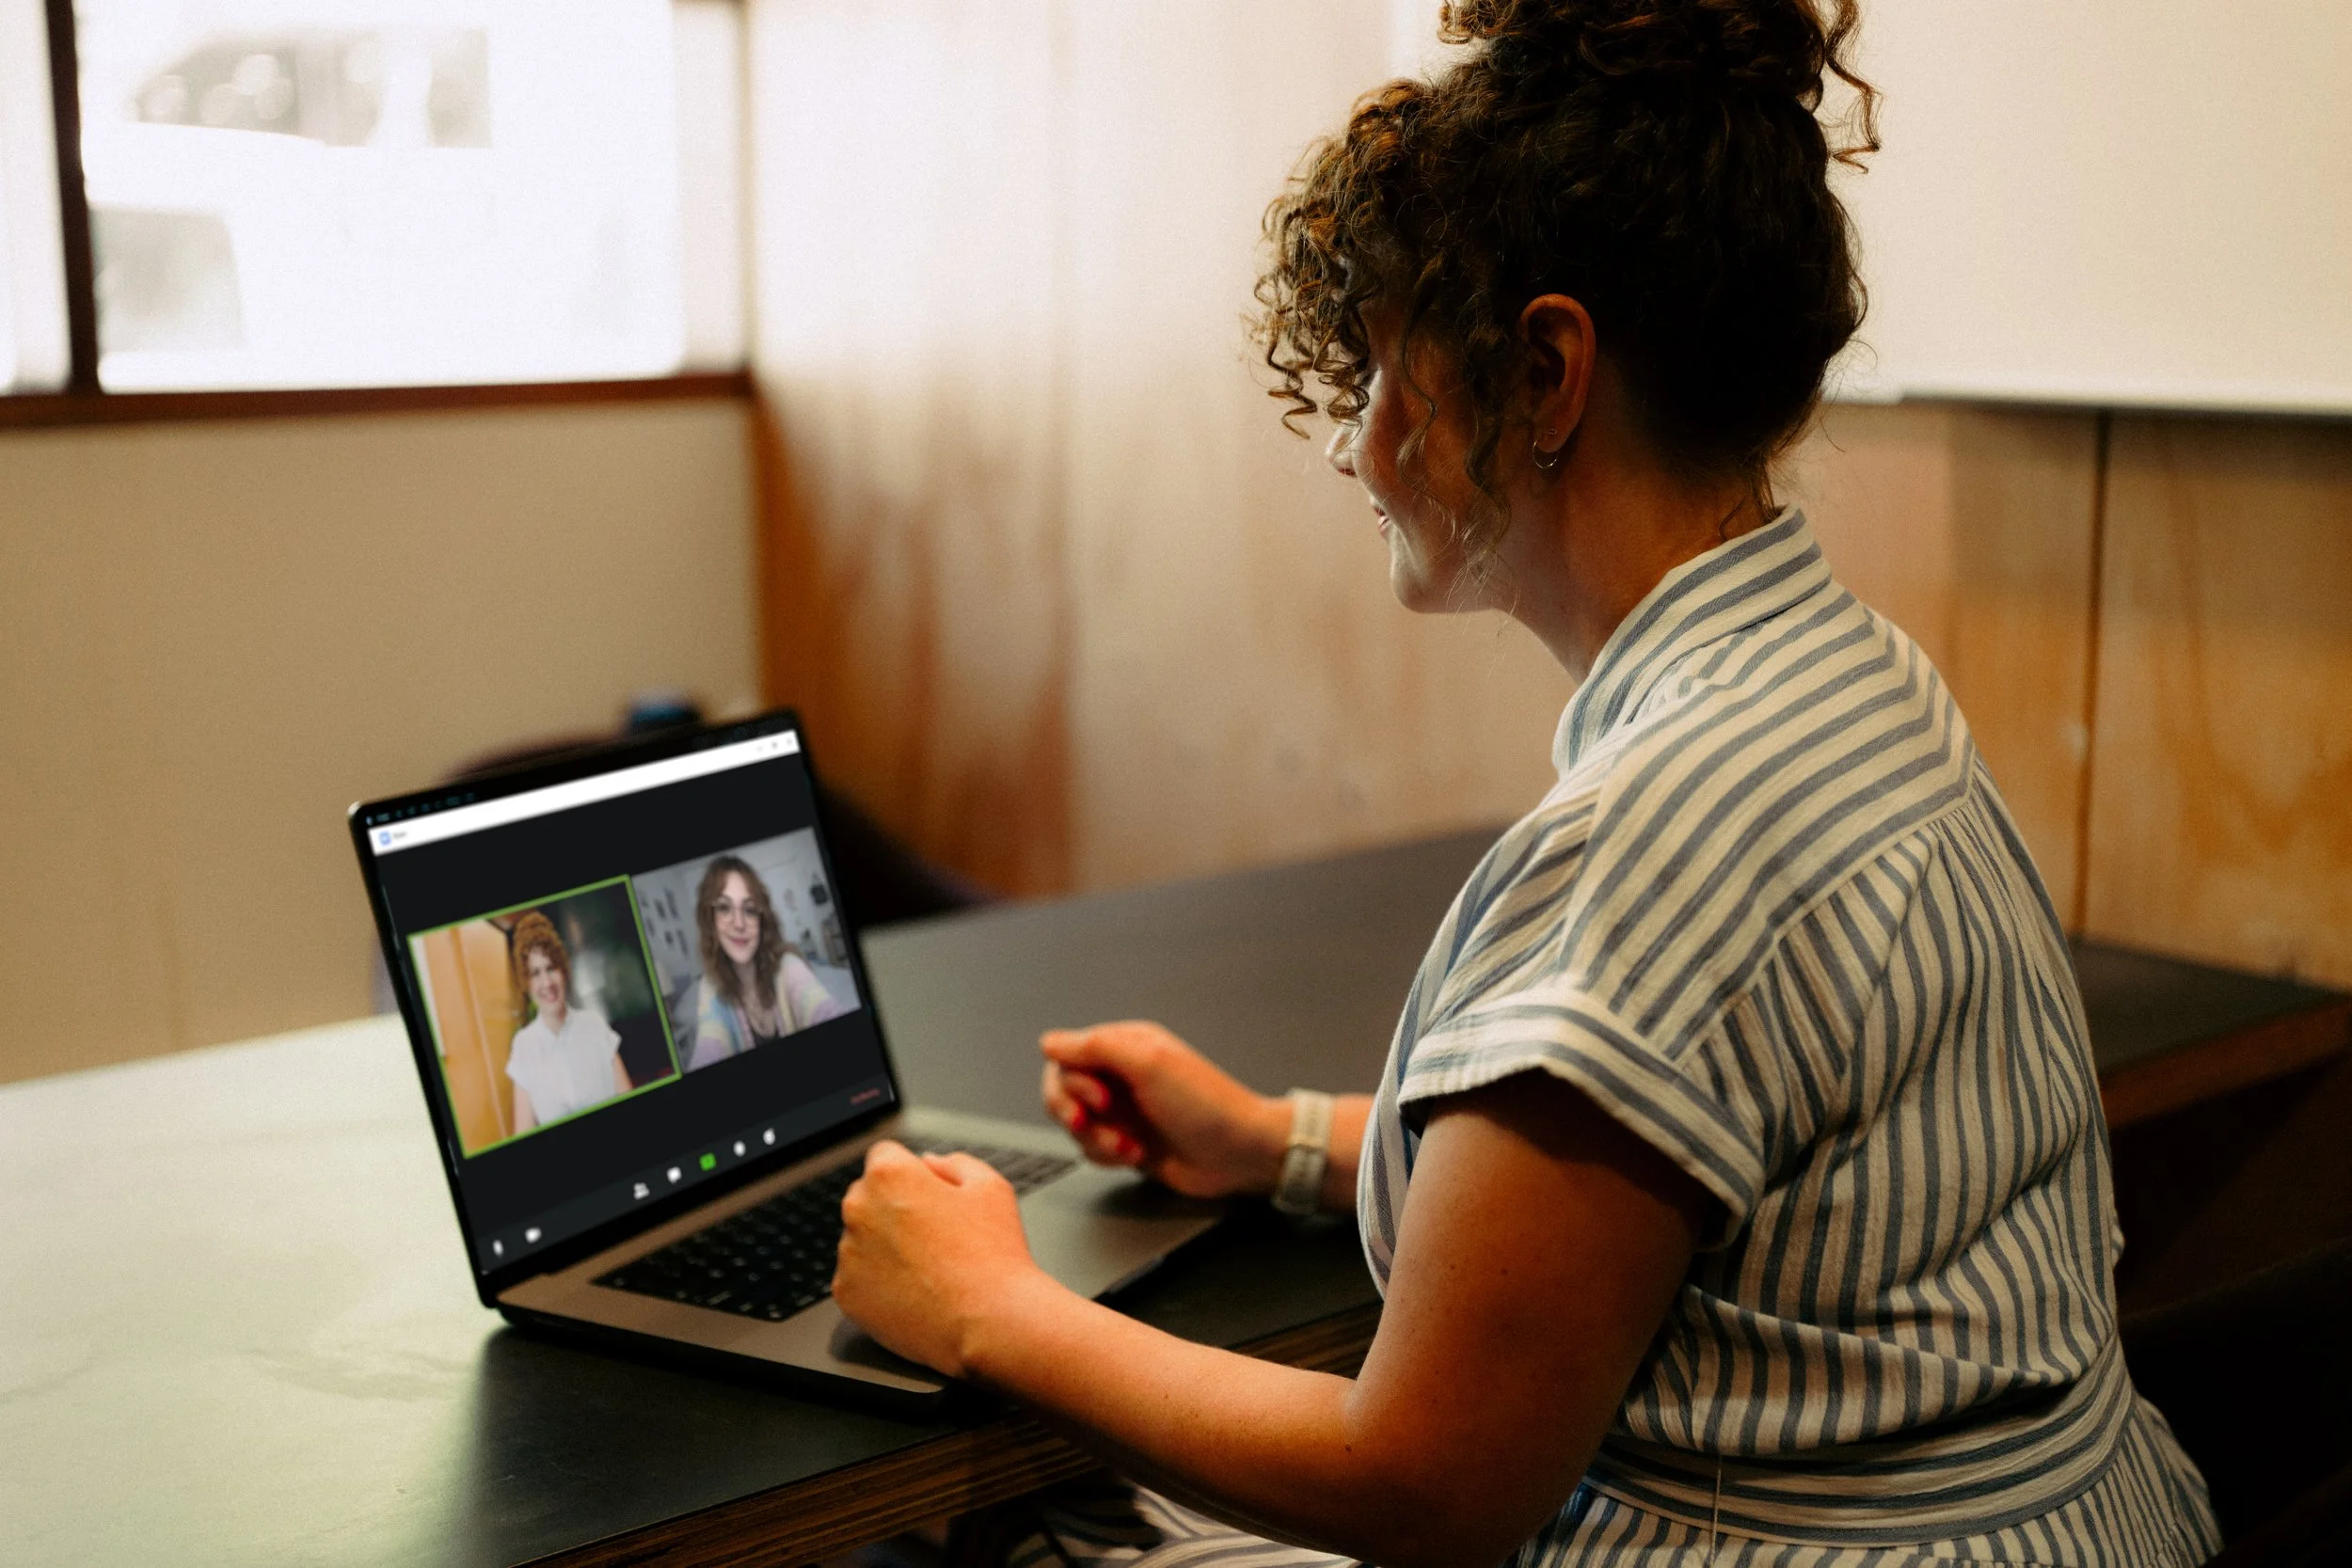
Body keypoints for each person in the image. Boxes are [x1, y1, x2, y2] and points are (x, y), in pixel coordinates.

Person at [830, 2, 2222, 1565]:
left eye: (1381, 373)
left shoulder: (1651, 829)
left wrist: (989, 1306)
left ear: (1547, 372)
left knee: (1002, 1537)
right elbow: (1674, 1186)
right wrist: (1275, 1136)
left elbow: (1427, 1481)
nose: (1363, 449)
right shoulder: (1853, 678)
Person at [684, 855, 849, 1071]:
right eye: (724, 908)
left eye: (750, 909)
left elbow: (819, 1007)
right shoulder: (709, 987)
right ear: (710, 921)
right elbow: (711, 1039)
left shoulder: (788, 966)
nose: (740, 923)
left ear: (762, 920)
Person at [504, 911, 629, 1135]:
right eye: (535, 973)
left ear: (563, 970)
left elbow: (628, 1099)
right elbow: (523, 1137)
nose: (546, 982)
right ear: (526, 982)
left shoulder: (594, 1025)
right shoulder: (524, 1047)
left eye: (551, 968)